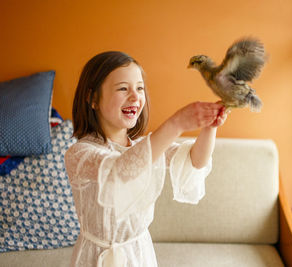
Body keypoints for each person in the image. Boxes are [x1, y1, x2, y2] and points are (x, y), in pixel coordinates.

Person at [64, 51, 228, 267]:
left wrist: (210, 127)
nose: (135, 97)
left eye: (139, 88)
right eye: (123, 88)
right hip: (97, 257)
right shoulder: (80, 153)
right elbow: (120, 171)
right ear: (93, 98)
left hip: (138, 253)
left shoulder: (144, 146)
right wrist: (176, 123)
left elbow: (195, 161)